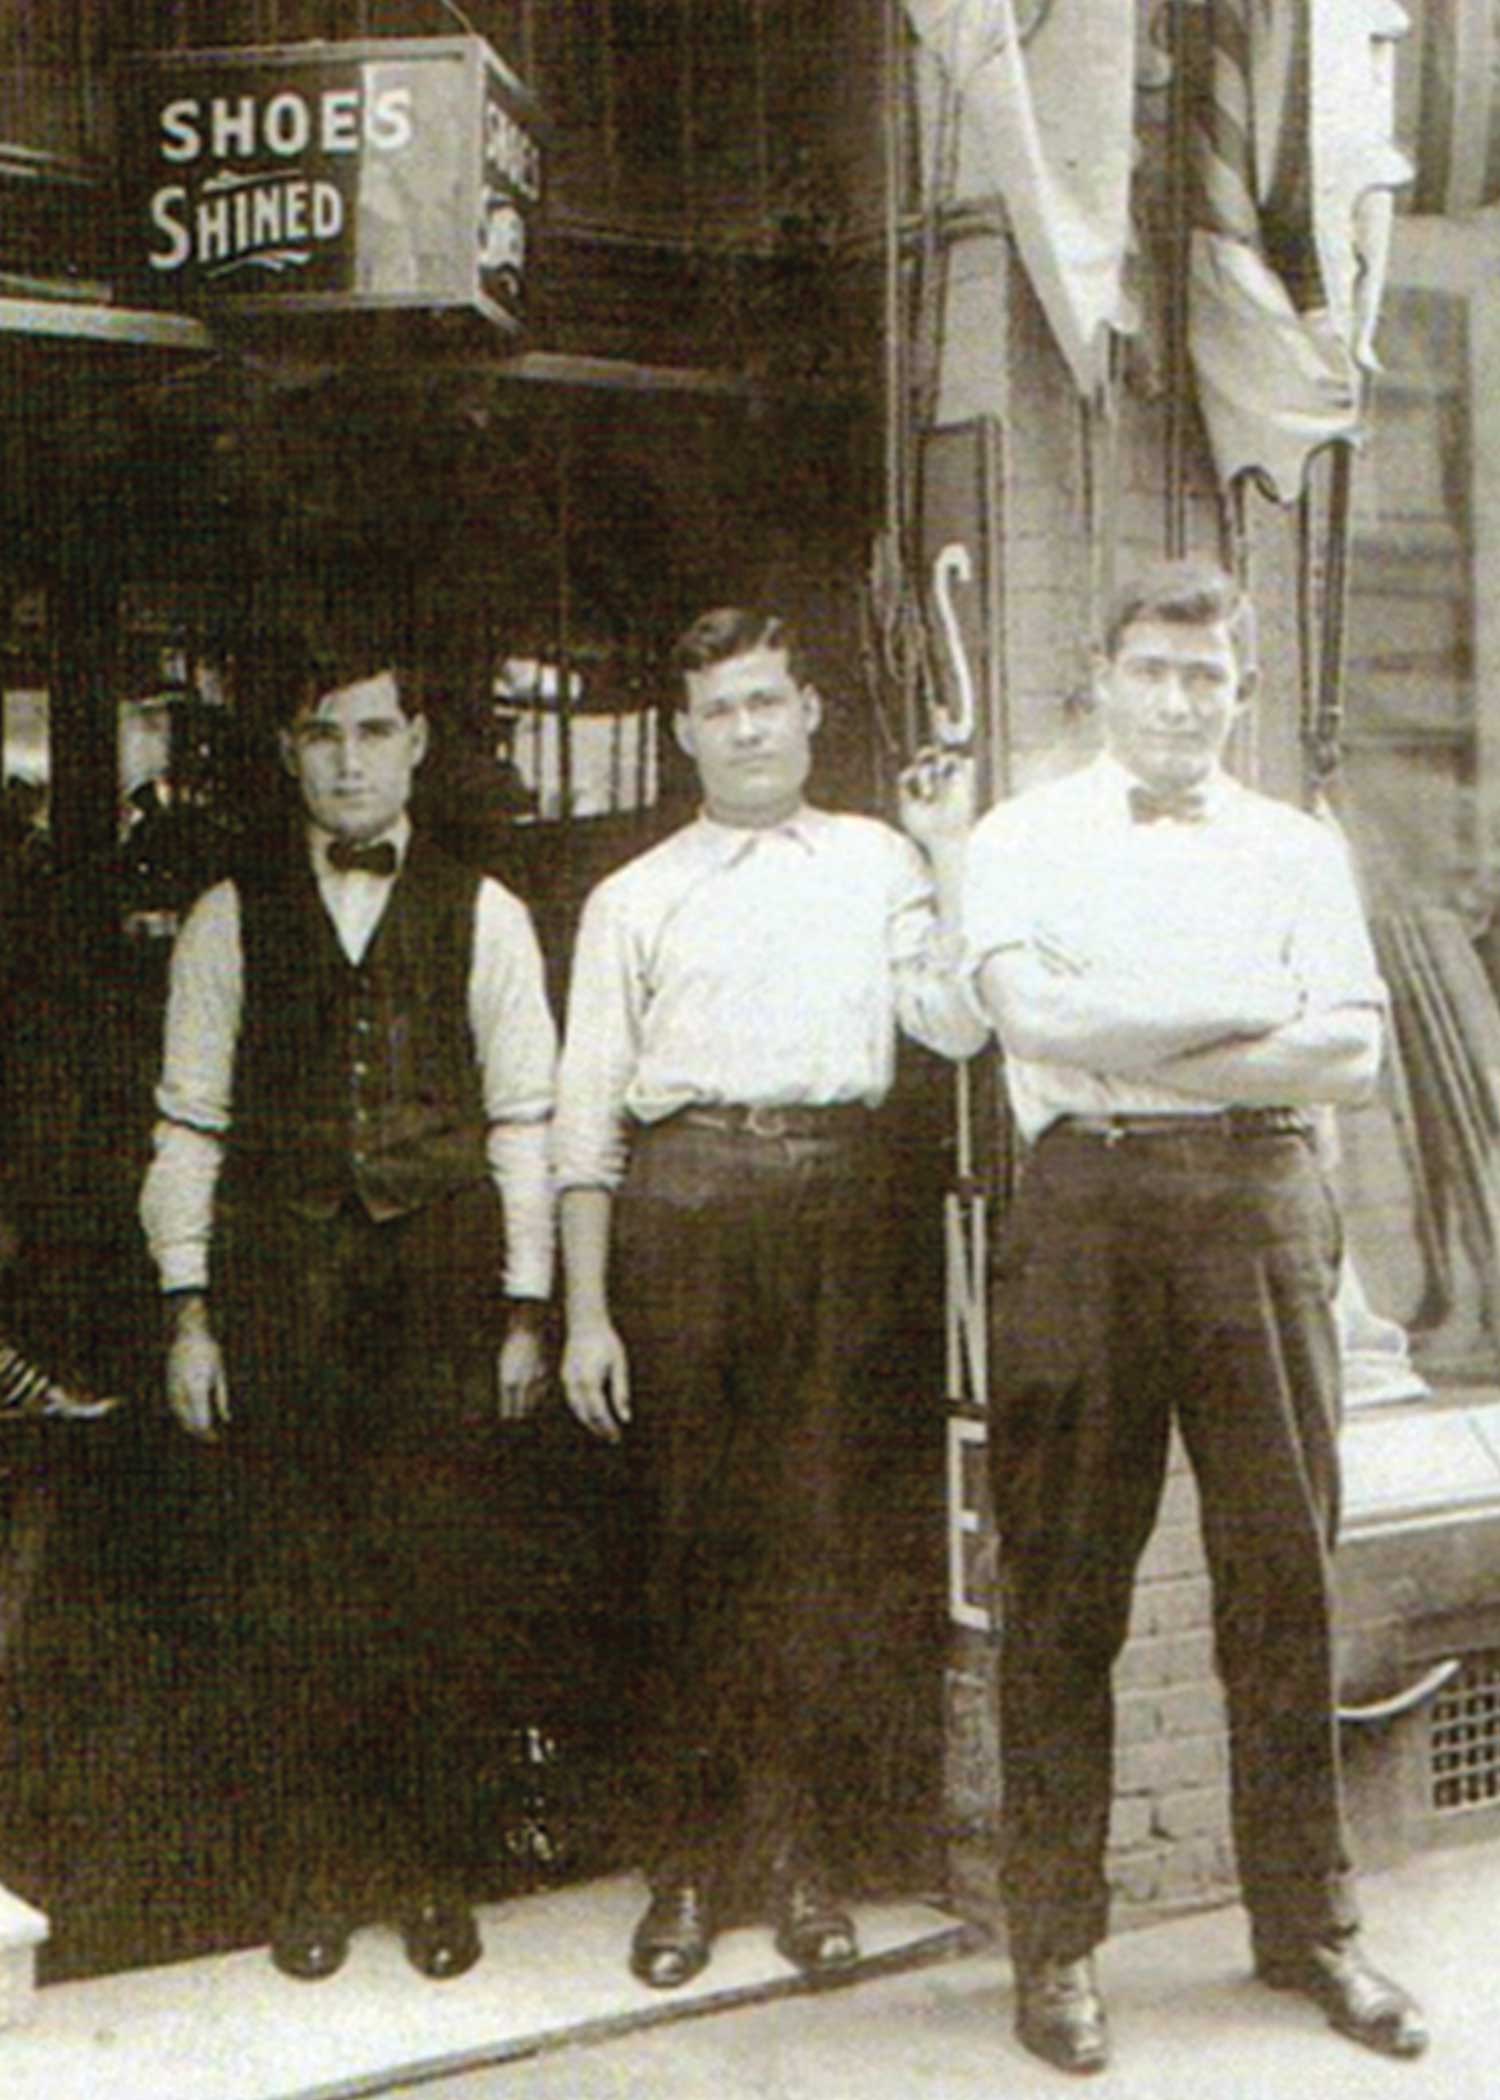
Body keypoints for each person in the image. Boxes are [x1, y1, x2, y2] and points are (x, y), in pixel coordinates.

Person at [964, 557, 1427, 2074]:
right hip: (1083, 1211)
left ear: (1244, 690)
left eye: (1207, 676)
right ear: (1100, 676)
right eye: (1154, 670)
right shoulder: (1020, 836)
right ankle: (1060, 1951)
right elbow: (1032, 1021)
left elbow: (1350, 1055)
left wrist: (1142, 1032)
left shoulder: (1297, 846)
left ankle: (1309, 1934)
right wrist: (1242, 1019)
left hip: (1261, 1213)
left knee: (1282, 1580)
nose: (1179, 701)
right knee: (1062, 1596)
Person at [554, 605, 987, 1990]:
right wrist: (585, 1312)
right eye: (717, 709)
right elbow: (581, 1126)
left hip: (840, 1211)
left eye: (765, 702)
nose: (744, 729)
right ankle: (684, 1866)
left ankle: (794, 1857)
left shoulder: (875, 865)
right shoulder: (634, 893)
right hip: (681, 1214)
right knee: (687, 1541)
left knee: (815, 1543)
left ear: (810, 713)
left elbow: (958, 1023)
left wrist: (951, 854)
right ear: (684, 732)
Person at [139, 644, 557, 1983]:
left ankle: (436, 1872)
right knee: (295, 1591)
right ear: (287, 750)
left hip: (440, 1288)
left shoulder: (483, 910)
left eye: (374, 730)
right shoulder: (227, 916)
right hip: (280, 1296)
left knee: (438, 1587)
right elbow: (189, 1126)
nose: (351, 760)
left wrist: (526, 1309)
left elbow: (529, 1125)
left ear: (420, 741)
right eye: (322, 734)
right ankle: (313, 1873)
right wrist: (189, 1310)